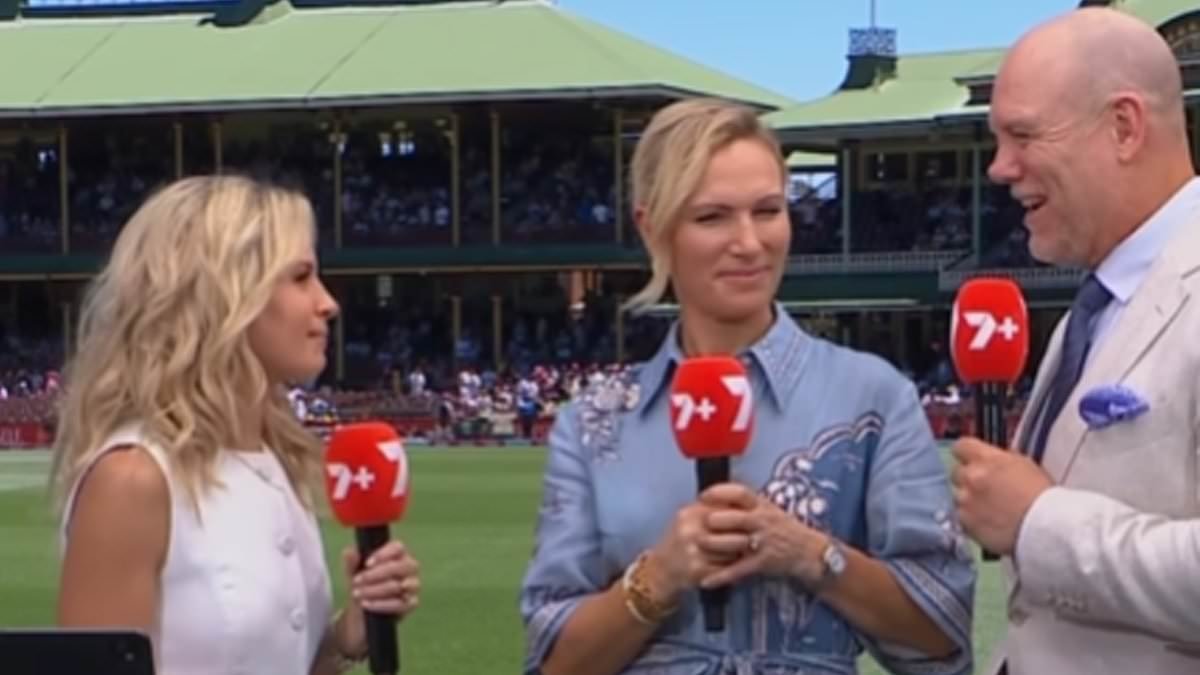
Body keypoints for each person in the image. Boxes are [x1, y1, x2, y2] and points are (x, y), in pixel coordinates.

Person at [519, 98, 976, 675]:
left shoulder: (873, 396)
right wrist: (657, 578)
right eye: (712, 217)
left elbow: (943, 636)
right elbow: (551, 665)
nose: (749, 242)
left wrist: (809, 553)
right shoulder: (591, 424)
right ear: (652, 226)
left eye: (768, 210)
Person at [50, 175, 421, 675]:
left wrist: (346, 636)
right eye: (300, 276)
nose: (327, 303)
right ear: (226, 296)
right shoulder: (132, 480)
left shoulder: (276, 460)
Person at [950, 8, 1200, 675]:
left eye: (1023, 135)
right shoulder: (1094, 305)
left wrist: (1038, 523)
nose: (1000, 168)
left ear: (1123, 127)